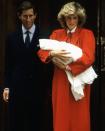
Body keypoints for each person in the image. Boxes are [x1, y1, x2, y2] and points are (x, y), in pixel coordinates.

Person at [38, 1, 96, 131]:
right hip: (60, 81)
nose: (71, 21)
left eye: (74, 17)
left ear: (79, 18)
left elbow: (89, 58)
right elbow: (41, 51)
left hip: (79, 80)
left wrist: (68, 67)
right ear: (63, 18)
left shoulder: (87, 34)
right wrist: (52, 54)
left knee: (79, 118)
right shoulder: (56, 34)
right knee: (61, 117)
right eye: (68, 17)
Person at [3, 1, 45, 131]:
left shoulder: (44, 36)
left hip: (37, 90)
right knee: (16, 125)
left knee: (35, 124)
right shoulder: (11, 37)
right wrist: (6, 87)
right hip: (17, 89)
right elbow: (8, 64)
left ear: (35, 15)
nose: (28, 19)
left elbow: (47, 66)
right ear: (19, 16)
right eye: (25, 16)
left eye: (31, 15)